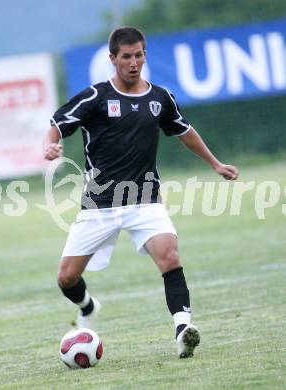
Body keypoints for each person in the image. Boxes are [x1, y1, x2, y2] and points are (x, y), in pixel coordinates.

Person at [44, 26, 239, 359]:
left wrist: (215, 163)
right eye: (126, 57)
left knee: (170, 256)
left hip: (145, 199)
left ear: (144, 55)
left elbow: (184, 131)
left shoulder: (160, 98)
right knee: (66, 278)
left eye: (138, 56)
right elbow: (58, 122)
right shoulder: (96, 96)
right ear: (113, 59)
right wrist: (51, 145)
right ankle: (89, 307)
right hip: (99, 203)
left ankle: (183, 330)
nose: (133, 63)